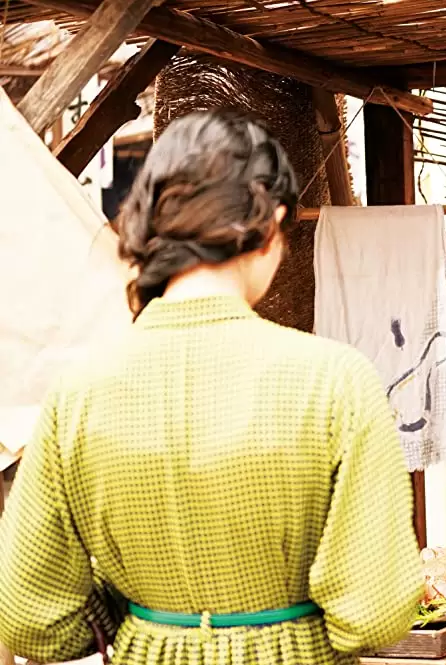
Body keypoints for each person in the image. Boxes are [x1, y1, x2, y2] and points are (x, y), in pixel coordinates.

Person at [0, 110, 423, 664]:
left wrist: (145, 622)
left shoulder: (75, 396)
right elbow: (374, 611)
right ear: (271, 223)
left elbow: (31, 619)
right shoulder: (334, 381)